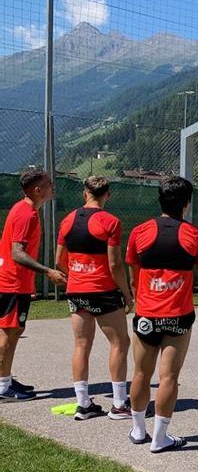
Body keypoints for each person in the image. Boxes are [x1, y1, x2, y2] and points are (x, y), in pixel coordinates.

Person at [126, 177, 198, 453]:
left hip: (147, 314)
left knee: (140, 373)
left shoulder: (139, 232)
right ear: (186, 205)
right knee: (169, 378)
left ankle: (139, 431)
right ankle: (160, 438)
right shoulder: (197, 236)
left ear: (160, 200)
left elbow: (134, 274)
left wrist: (139, 299)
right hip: (178, 316)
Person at [56, 176, 134, 420]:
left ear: (84, 193)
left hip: (76, 289)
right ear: (107, 195)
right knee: (120, 343)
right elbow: (115, 264)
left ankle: (83, 403)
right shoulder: (110, 222)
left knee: (81, 344)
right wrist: (127, 294)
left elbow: (59, 259)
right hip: (103, 290)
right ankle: (120, 404)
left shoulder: (67, 220)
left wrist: (75, 276)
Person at [0, 170, 66, 402]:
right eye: (48, 184)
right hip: (12, 284)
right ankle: (3, 387)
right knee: (9, 333)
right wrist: (47, 271)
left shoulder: (26, 210)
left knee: (15, 331)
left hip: (18, 283)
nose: (52, 187)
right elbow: (16, 253)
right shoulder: (26, 214)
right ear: (37, 190)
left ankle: (5, 379)